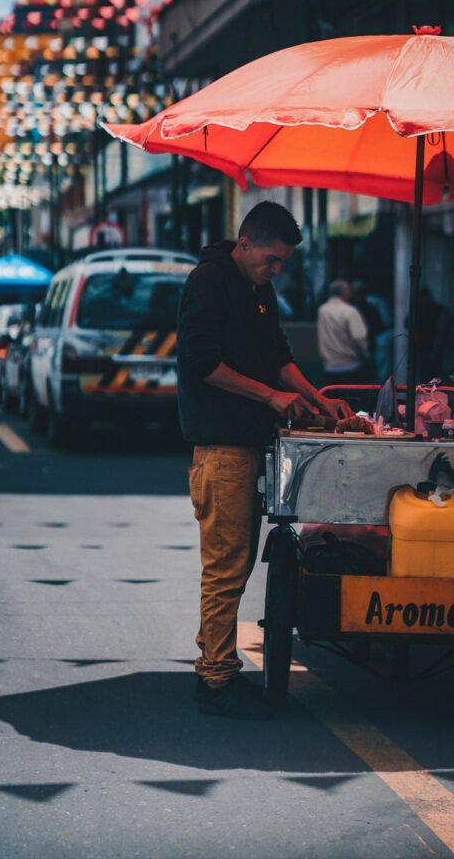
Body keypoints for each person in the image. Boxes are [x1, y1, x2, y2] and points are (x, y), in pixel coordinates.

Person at [177, 201, 353, 720]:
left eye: (282, 263)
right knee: (226, 568)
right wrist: (268, 397)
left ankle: (220, 669)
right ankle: (214, 679)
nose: (276, 271)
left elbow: (279, 357)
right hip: (221, 450)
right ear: (246, 242)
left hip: (253, 446)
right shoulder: (208, 280)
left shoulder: (259, 290)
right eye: (271, 260)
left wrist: (318, 399)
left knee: (239, 563)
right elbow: (200, 362)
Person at [317, 279, 370, 385]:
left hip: (330, 367)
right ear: (345, 292)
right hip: (351, 366)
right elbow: (359, 338)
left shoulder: (322, 310)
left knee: (334, 398)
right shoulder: (350, 311)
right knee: (353, 399)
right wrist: (366, 356)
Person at [350, 280, 385, 381]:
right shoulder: (349, 309)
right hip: (352, 351)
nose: (357, 295)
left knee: (366, 379)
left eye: (360, 292)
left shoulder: (370, 310)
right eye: (356, 293)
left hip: (367, 350)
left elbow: (378, 328)